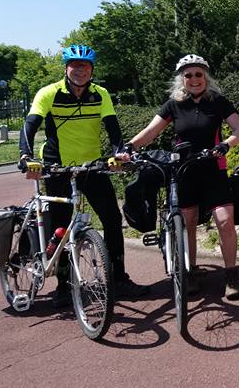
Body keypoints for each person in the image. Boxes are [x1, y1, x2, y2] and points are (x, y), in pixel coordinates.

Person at [18, 44, 149, 307]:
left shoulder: (100, 94)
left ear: (91, 70)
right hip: (57, 167)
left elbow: (113, 130)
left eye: (86, 66)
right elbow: (29, 126)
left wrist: (117, 154)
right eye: (75, 66)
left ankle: (119, 278)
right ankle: (64, 287)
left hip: (91, 166)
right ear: (66, 69)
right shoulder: (49, 93)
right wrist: (26, 156)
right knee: (63, 225)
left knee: (112, 218)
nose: (80, 71)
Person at [118, 54, 239, 299]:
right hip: (184, 171)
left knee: (225, 221)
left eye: (199, 74)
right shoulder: (173, 105)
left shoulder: (219, 102)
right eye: (189, 75)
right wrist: (130, 147)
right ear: (181, 79)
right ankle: (190, 271)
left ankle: (231, 275)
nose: (194, 79)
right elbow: (151, 132)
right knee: (188, 223)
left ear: (206, 77)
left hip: (213, 168)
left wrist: (226, 145)